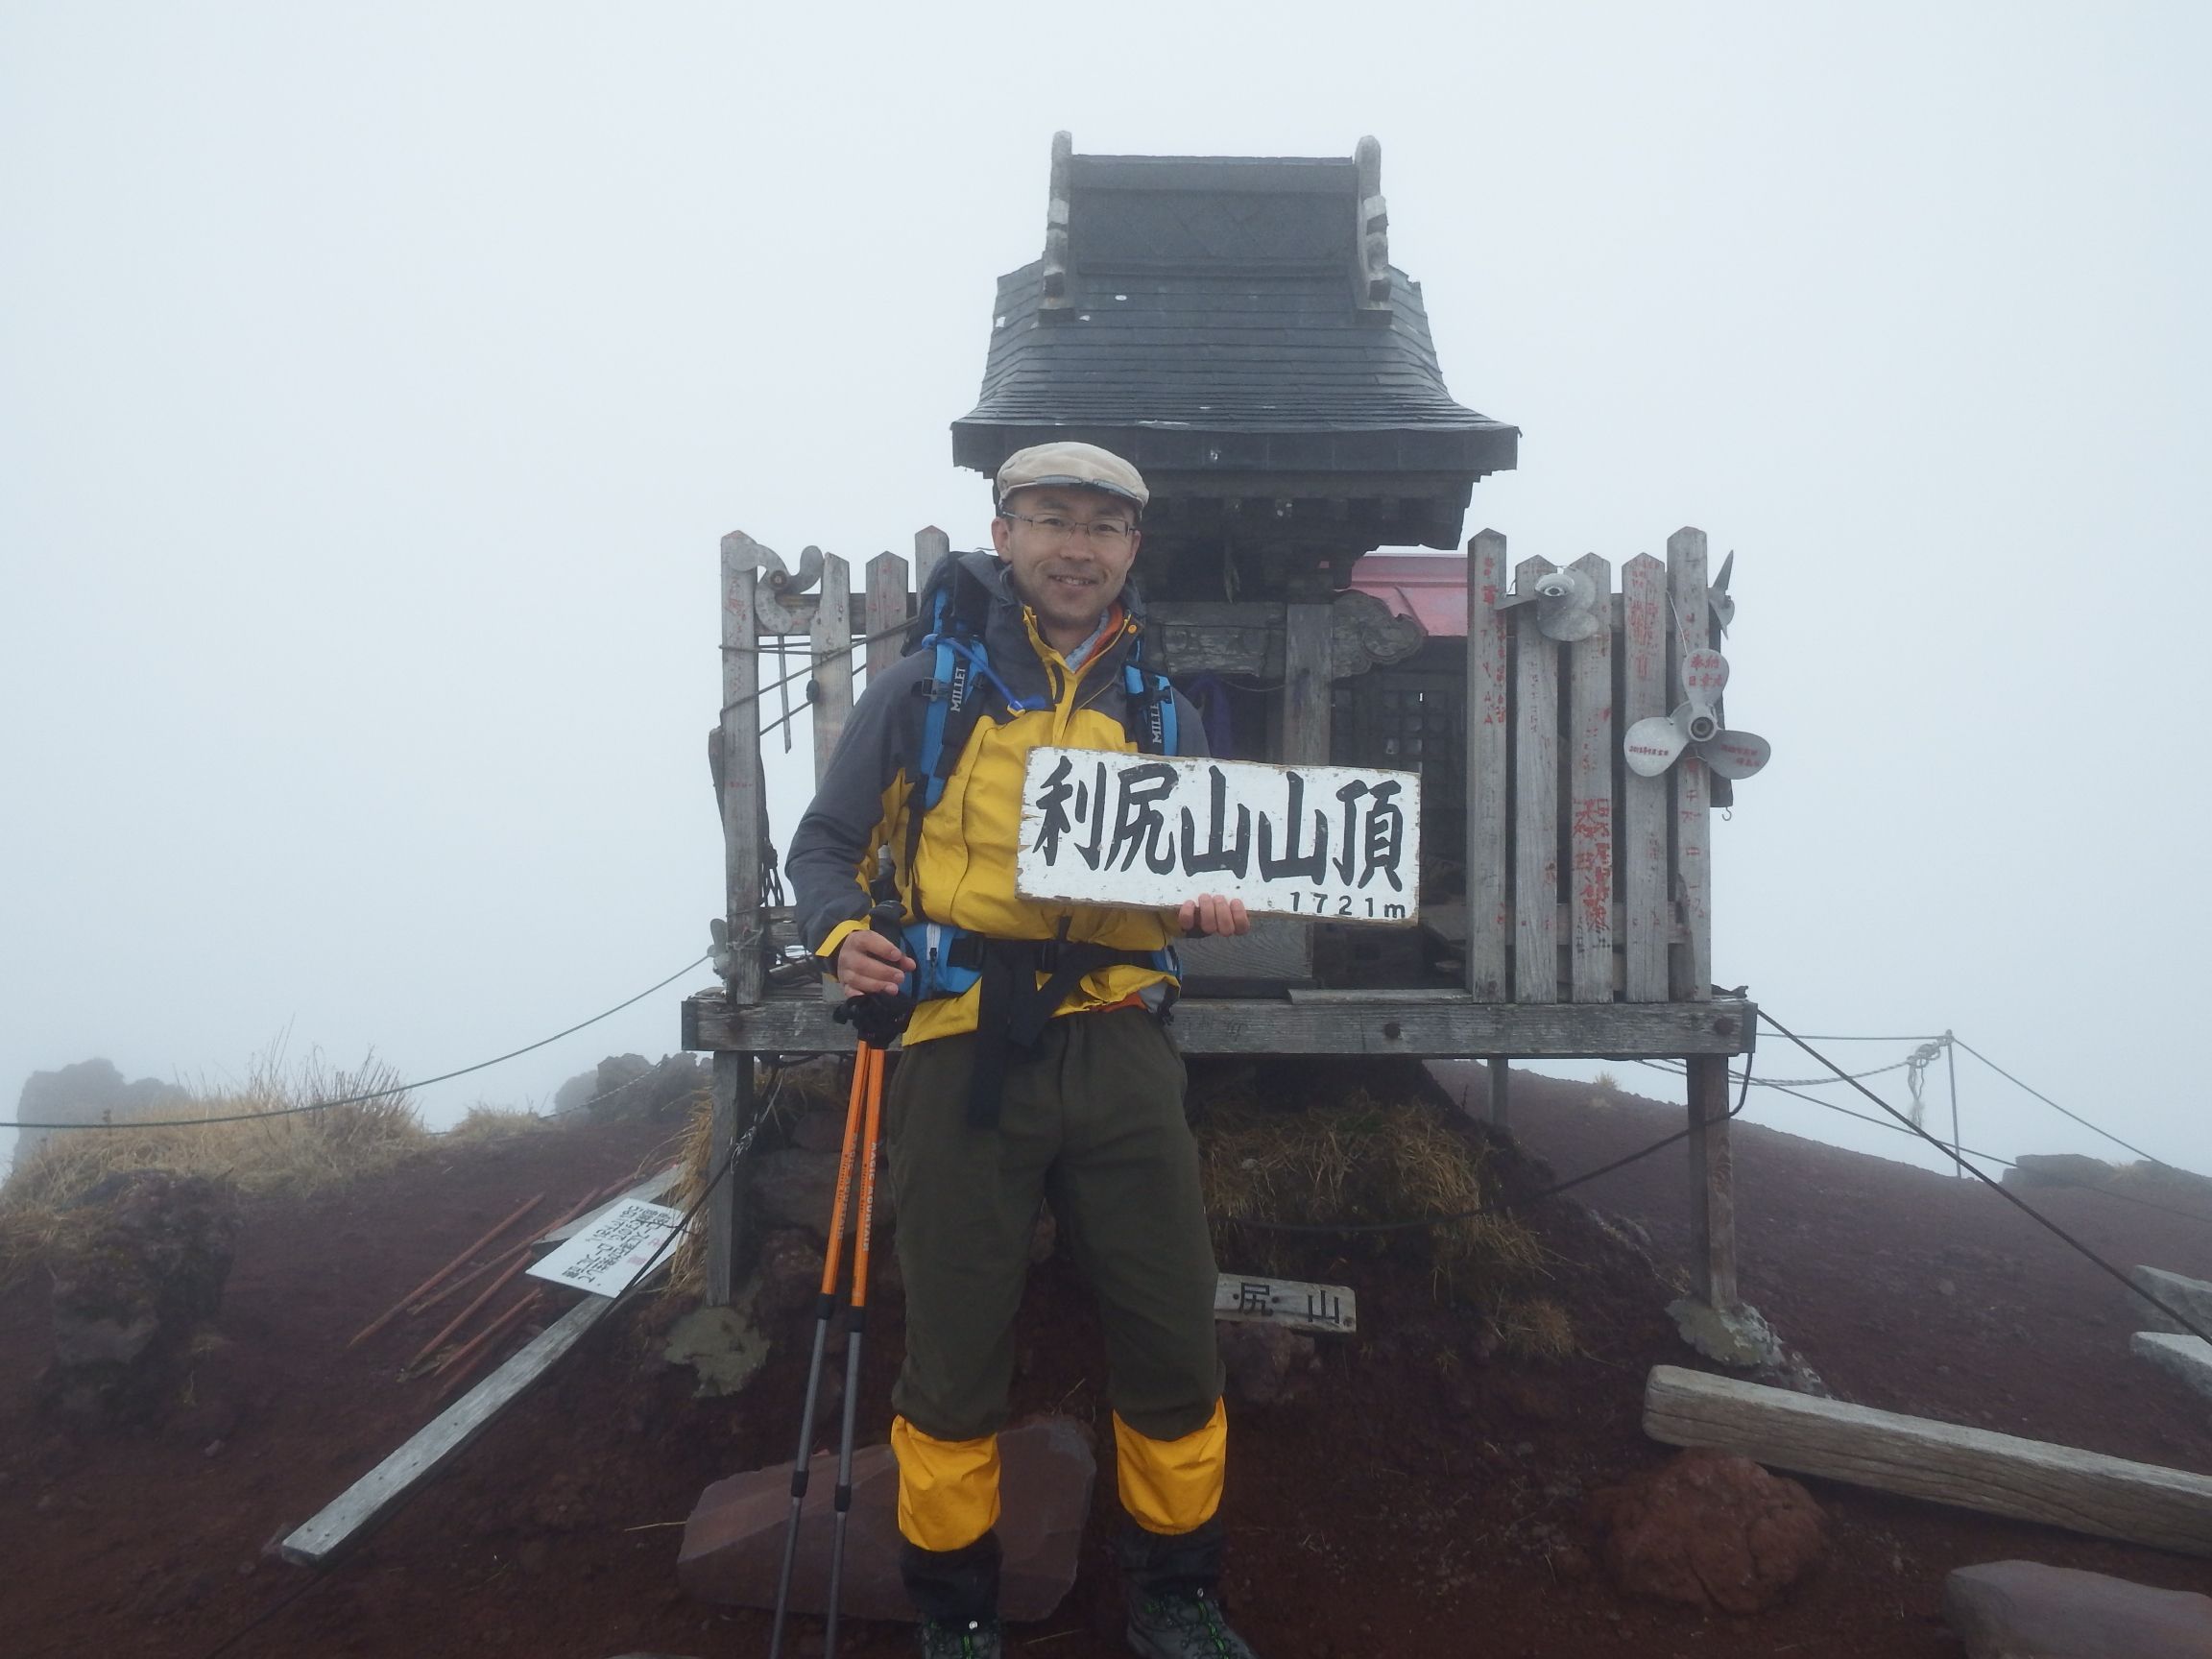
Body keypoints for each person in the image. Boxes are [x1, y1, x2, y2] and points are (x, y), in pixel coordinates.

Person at [786, 442, 1260, 1659]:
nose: (1077, 547)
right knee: (952, 1343)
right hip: (957, 1043)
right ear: (1002, 534)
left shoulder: (1163, 708)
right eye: (1051, 520)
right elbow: (826, 846)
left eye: (1104, 527)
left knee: (1170, 1325)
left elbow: (1203, 869)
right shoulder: (928, 689)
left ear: (1132, 551)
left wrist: (1208, 903)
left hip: (1119, 1041)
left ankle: (1176, 1594)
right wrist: (844, 936)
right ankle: (958, 1614)